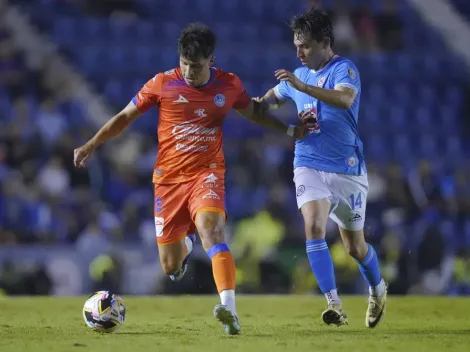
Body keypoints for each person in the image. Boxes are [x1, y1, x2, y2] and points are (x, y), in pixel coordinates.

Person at [73, 23, 309, 335]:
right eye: (184, 63)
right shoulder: (162, 83)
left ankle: (230, 309)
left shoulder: (229, 85)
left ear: (212, 60)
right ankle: (185, 242)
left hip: (207, 174)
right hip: (168, 181)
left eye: (196, 66)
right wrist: (92, 144)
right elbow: (124, 117)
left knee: (212, 231)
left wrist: (291, 131)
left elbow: (254, 112)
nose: (188, 71)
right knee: (170, 266)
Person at [255, 9, 387, 328]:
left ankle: (378, 288)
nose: (299, 53)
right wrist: (250, 105)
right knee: (313, 226)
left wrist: (302, 86)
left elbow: (343, 100)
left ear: (325, 43)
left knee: (354, 247)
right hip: (308, 162)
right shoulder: (295, 80)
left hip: (347, 169)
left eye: (306, 46)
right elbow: (265, 104)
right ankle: (334, 304)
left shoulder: (344, 69)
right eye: (296, 45)